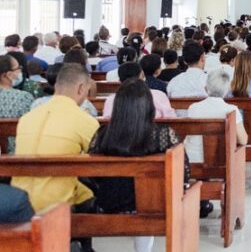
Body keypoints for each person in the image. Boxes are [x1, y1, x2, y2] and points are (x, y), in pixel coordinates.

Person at [88, 81, 193, 252]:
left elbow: (91, 174)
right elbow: (184, 173)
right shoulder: (163, 134)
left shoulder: (102, 134)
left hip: (108, 204)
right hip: (153, 207)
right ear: (148, 106)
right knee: (154, 193)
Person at [12, 64, 99, 251]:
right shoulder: (84, 120)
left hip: (18, 198)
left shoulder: (28, 117)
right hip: (55, 203)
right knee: (89, 193)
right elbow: (97, 159)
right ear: (81, 88)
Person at [186, 69, 248, 163]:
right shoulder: (232, 110)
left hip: (193, 159)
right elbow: (243, 140)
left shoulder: (193, 108)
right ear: (227, 90)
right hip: (221, 161)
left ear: (206, 88)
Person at [103, 62, 176, 118]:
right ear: (142, 76)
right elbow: (171, 120)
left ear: (119, 81)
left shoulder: (111, 100)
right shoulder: (158, 95)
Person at [0, 54, 34, 153]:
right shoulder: (23, 98)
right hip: (17, 156)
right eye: (18, 68)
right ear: (8, 75)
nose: (20, 71)